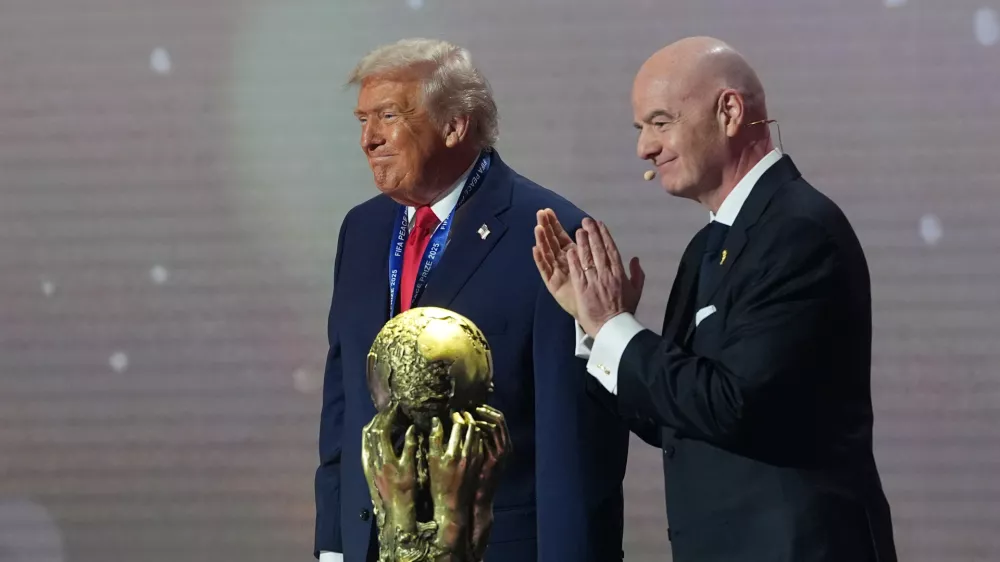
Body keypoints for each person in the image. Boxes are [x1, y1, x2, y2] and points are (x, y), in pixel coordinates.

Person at [533, 36, 898, 562]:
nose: (645, 149)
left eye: (660, 122)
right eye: (641, 129)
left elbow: (734, 405)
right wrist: (594, 327)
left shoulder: (797, 230)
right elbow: (676, 421)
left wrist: (615, 325)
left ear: (728, 111)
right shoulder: (707, 246)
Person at [315, 38, 630, 562]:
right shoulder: (362, 230)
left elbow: (573, 441)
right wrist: (332, 545)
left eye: (388, 116)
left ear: (455, 125)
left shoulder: (549, 232)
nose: (369, 139)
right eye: (362, 120)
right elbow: (344, 401)